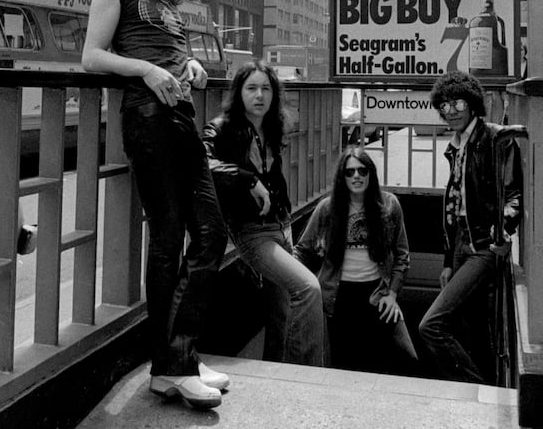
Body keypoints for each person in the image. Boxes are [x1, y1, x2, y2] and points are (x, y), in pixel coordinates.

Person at [82, 0, 228, 410]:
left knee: (210, 233)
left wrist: (190, 66)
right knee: (168, 238)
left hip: (181, 119)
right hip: (147, 119)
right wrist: (145, 70)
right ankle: (170, 366)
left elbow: (170, 52)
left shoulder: (167, 0)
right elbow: (91, 56)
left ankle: (178, 357)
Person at [202, 61, 324, 366]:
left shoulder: (271, 127)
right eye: (252, 88)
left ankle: (277, 373)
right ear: (239, 92)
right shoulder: (221, 128)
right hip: (252, 232)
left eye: (266, 88)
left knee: (281, 313)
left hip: (282, 226)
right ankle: (307, 375)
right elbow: (201, 163)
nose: (259, 95)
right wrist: (246, 178)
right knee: (308, 288)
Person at [418, 71, 523, 384]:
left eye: (458, 103)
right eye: (445, 105)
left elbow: (513, 195)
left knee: (431, 326)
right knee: (471, 326)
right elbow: (454, 207)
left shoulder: (495, 138)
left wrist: (502, 231)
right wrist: (448, 261)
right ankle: (483, 388)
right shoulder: (456, 145)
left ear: (473, 103)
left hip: (483, 245)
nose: (451, 111)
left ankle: (476, 389)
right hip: (462, 244)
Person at [294, 146, 419, 375]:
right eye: (349, 172)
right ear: (342, 177)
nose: (356, 176)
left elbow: (402, 255)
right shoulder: (327, 208)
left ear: (371, 173)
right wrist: (296, 283)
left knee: (405, 357)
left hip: (376, 294)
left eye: (362, 170)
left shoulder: (389, 205)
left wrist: (392, 294)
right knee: (345, 364)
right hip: (338, 296)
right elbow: (302, 250)